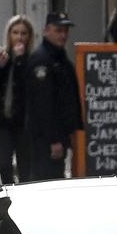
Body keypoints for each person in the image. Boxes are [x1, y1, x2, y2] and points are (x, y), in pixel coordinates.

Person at [23, 12, 84, 181]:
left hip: (60, 135)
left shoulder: (60, 58)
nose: (63, 35)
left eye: (65, 31)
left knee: (55, 178)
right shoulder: (42, 60)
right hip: (46, 139)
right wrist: (54, 140)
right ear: (46, 31)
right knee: (46, 181)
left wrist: (72, 132)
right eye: (58, 31)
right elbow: (43, 105)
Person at [0, 15, 35, 185]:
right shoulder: (0, 55)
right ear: (9, 34)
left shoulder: (33, 60)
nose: (19, 37)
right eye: (15, 32)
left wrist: (20, 62)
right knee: (4, 165)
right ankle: (9, 199)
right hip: (2, 122)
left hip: (24, 125)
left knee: (26, 169)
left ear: (29, 37)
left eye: (23, 33)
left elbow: (29, 88)